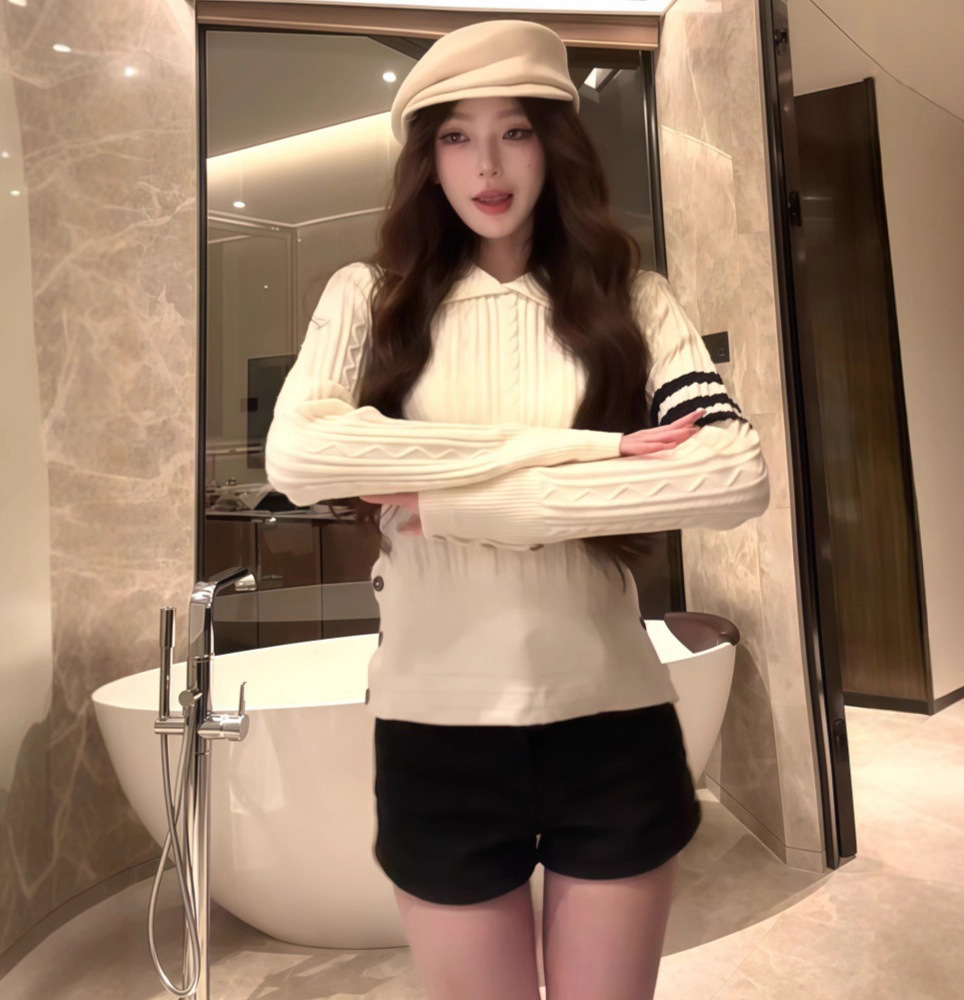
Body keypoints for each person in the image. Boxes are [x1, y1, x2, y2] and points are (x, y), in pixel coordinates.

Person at [265, 18, 769, 1000]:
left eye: (514, 132)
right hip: (436, 726)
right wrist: (580, 451)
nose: (487, 166)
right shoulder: (369, 298)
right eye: (457, 135)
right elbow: (301, 457)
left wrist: (457, 505)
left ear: (555, 144)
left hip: (612, 719)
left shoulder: (633, 298)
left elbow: (730, 474)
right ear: (427, 157)